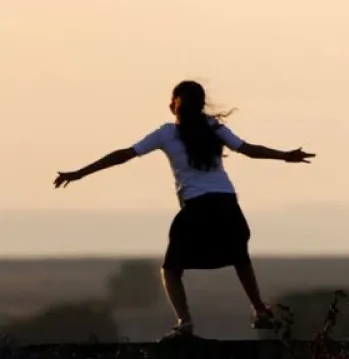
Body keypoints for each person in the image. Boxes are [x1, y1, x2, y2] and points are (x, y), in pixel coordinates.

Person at [53, 80, 315, 340]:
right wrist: (285, 155)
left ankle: (185, 323)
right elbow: (249, 150)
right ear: (202, 106)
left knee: (171, 268)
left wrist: (80, 173)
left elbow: (123, 155)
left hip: (197, 206)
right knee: (239, 258)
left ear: (172, 106)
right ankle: (260, 311)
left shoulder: (167, 133)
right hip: (226, 202)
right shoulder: (214, 128)